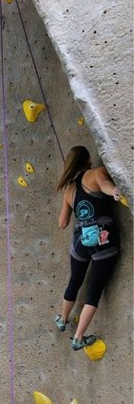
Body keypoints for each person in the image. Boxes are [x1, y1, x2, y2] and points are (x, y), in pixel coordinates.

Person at [54, 146, 120, 350]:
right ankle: (78, 338)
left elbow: (62, 223)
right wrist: (115, 192)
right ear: (88, 159)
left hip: (81, 243)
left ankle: (63, 319)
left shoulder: (69, 189)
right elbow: (106, 186)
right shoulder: (95, 173)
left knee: (75, 281)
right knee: (94, 292)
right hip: (103, 242)